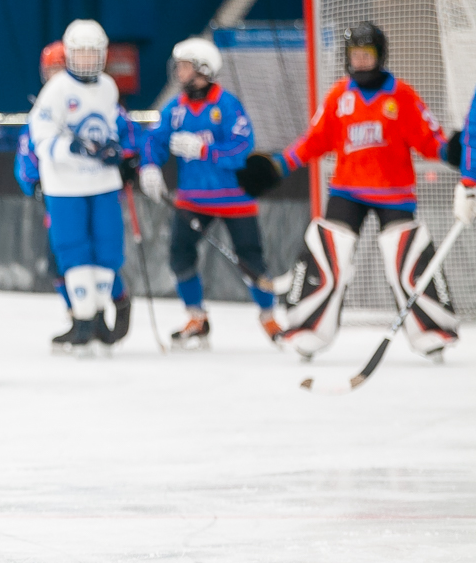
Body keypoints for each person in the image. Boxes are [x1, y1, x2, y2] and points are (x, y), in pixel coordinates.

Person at [238, 23, 458, 359]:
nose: (360, 61)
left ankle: (432, 330)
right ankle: (307, 329)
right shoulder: (339, 95)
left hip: (394, 193)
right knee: (328, 251)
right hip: (347, 191)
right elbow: (315, 141)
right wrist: (278, 166)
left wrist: (451, 151)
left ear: (380, 56)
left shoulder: (401, 96)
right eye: (354, 55)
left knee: (405, 255)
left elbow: (429, 140)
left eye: (366, 55)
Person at [140, 37, 277, 348]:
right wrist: (148, 167)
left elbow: (243, 147)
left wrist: (205, 150)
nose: (179, 72)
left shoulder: (226, 105)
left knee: (251, 260)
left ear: (202, 69)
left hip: (234, 199)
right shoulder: (175, 108)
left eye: (185, 66)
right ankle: (196, 318)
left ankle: (270, 317)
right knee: (180, 255)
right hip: (193, 199)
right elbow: (154, 141)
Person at [17, 40, 131, 350]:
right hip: (61, 193)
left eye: (59, 68)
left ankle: (114, 306)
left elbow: (123, 130)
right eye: (50, 70)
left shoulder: (101, 95)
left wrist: (125, 156)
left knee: (102, 253)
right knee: (62, 260)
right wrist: (33, 182)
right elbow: (28, 151)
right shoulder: (46, 106)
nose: (56, 76)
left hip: (97, 187)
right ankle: (78, 319)